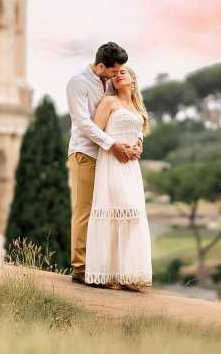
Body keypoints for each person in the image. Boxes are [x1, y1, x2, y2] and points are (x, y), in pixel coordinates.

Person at [66, 42, 141, 285]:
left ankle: (104, 266)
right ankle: (80, 267)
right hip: (85, 153)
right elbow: (83, 123)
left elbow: (130, 114)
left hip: (109, 159)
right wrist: (113, 145)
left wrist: (135, 142)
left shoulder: (109, 81)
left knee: (107, 211)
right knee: (85, 210)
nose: (115, 75)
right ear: (100, 66)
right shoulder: (77, 83)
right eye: (112, 70)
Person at [84, 65, 152, 290]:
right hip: (112, 163)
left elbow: (140, 130)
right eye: (116, 73)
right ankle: (107, 274)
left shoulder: (136, 106)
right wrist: (115, 146)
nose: (119, 75)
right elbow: (96, 131)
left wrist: (139, 145)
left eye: (124, 72)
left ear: (133, 79)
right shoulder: (108, 102)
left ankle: (129, 275)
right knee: (117, 210)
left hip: (132, 168)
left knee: (133, 215)